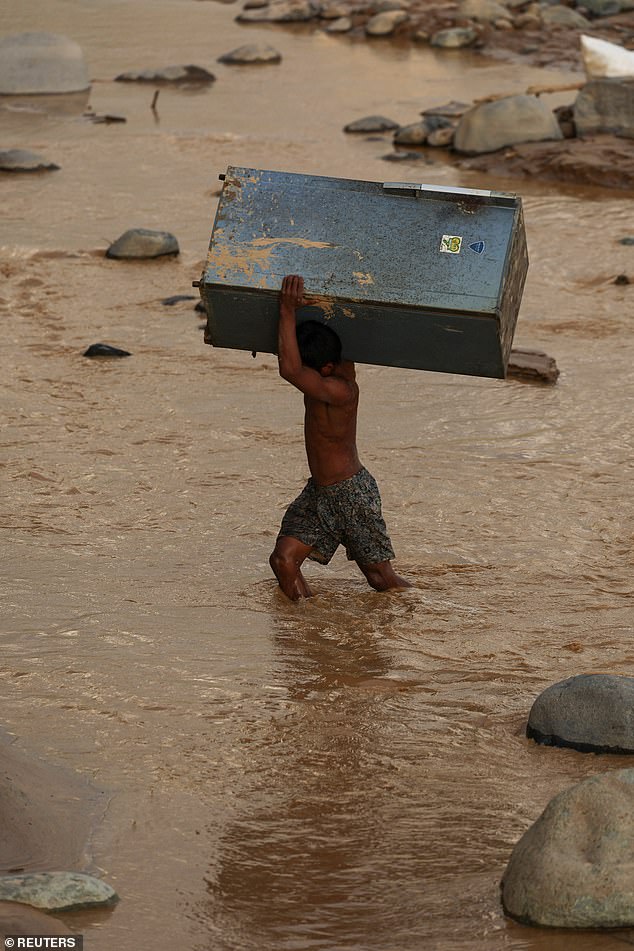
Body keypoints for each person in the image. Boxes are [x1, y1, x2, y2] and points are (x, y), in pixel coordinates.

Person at [269, 274, 411, 601]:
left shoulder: (341, 390)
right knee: (283, 561)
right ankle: (309, 627)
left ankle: (425, 611)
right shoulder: (326, 365)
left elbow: (290, 369)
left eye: (310, 373)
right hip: (320, 492)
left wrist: (287, 309)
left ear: (329, 367)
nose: (302, 379)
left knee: (379, 578)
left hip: (351, 494)